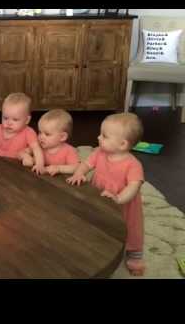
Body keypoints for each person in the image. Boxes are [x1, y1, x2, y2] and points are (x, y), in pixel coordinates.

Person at [67, 113, 145, 276]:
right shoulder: (99, 153)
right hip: (99, 195)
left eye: (104, 136)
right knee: (98, 218)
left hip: (122, 202)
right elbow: (86, 165)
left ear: (123, 144)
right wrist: (79, 173)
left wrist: (118, 198)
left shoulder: (133, 165)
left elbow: (133, 187)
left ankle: (134, 253)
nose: (98, 137)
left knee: (130, 227)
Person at [0, 93, 45, 174]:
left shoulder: (28, 132)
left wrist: (40, 164)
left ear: (27, 120)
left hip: (16, 167)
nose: (9, 123)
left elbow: (36, 148)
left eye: (15, 119)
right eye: (5, 118)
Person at [37, 109, 79, 176]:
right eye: (40, 132)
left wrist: (59, 168)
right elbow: (25, 152)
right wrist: (25, 156)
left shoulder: (69, 151)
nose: (41, 137)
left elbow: (76, 168)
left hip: (61, 181)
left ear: (62, 137)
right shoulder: (39, 146)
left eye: (47, 134)